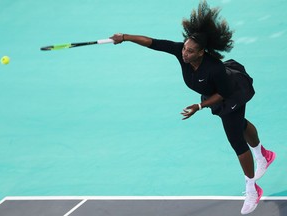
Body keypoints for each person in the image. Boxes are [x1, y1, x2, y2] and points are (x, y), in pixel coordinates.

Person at [110, 1, 276, 214]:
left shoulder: (214, 68)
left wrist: (200, 105)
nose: (184, 54)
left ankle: (253, 189)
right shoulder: (181, 51)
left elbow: (223, 94)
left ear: (201, 53)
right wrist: (125, 37)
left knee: (235, 138)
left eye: (190, 51)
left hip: (231, 93)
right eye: (185, 48)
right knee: (240, 125)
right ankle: (263, 155)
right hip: (214, 94)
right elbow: (154, 43)